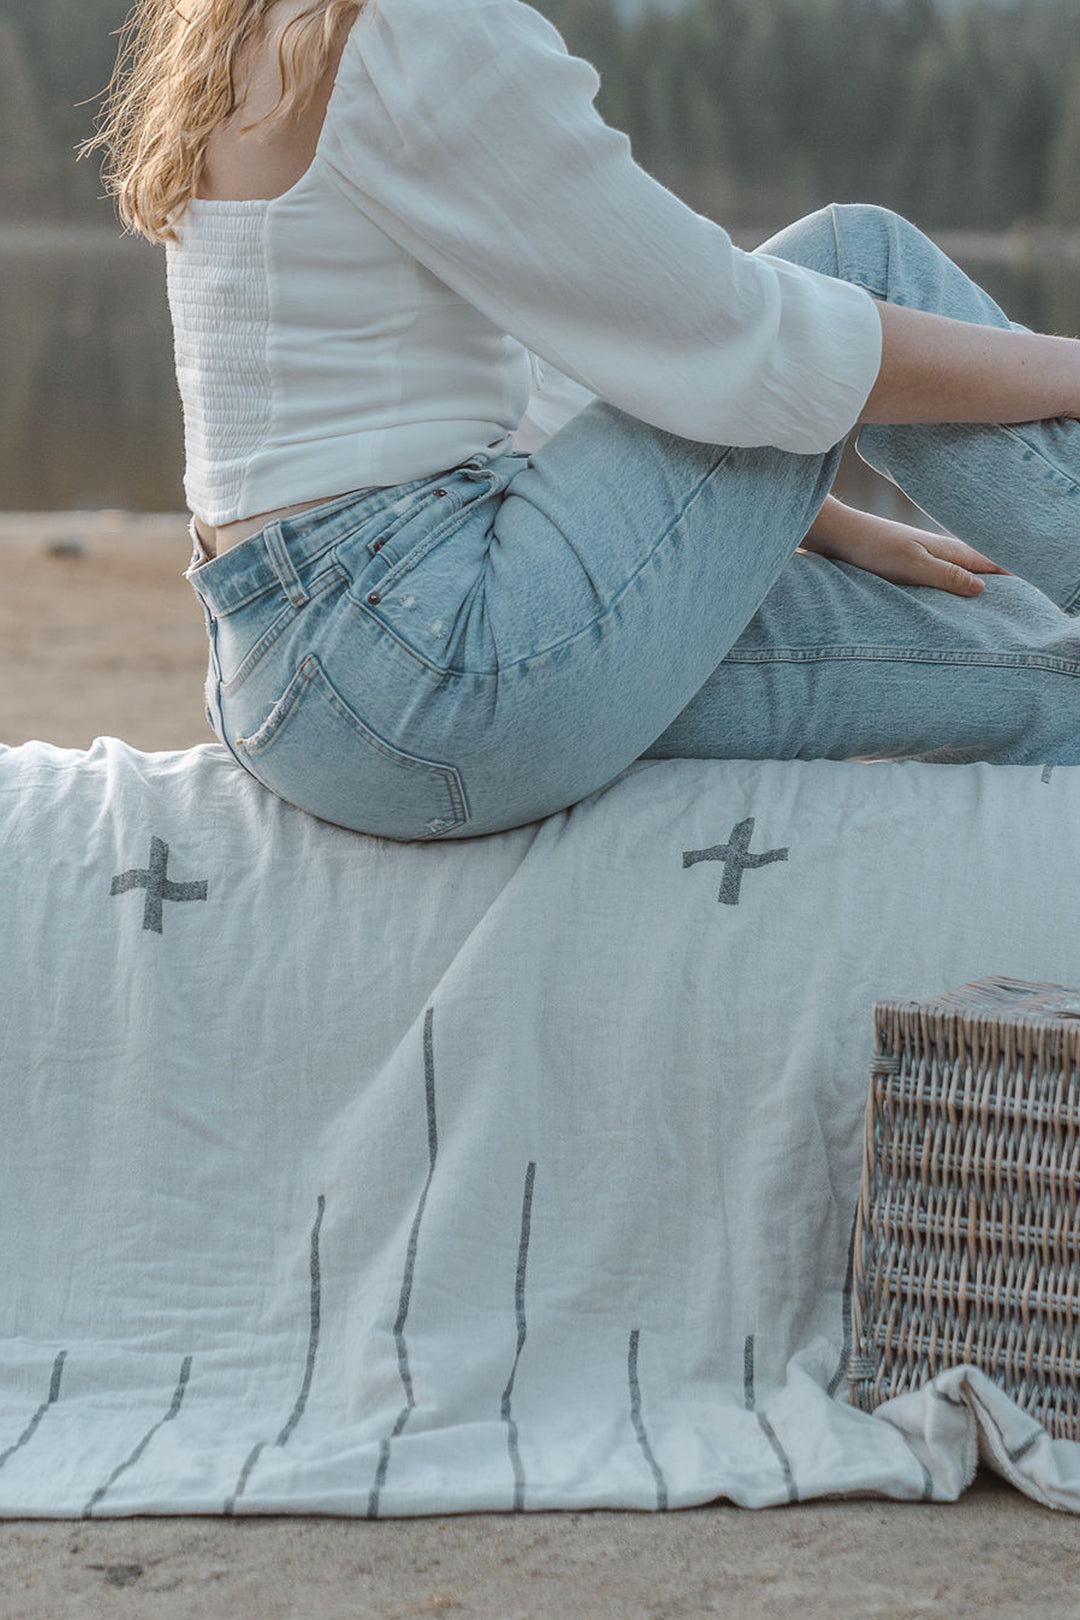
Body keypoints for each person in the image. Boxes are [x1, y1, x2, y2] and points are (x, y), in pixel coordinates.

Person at [91, 0, 1080, 841]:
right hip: (433, 658)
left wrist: (819, 523)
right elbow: (732, 334)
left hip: (313, 686)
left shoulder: (281, 21)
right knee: (856, 256)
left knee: (1043, 665)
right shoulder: (409, 26)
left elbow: (567, 358)